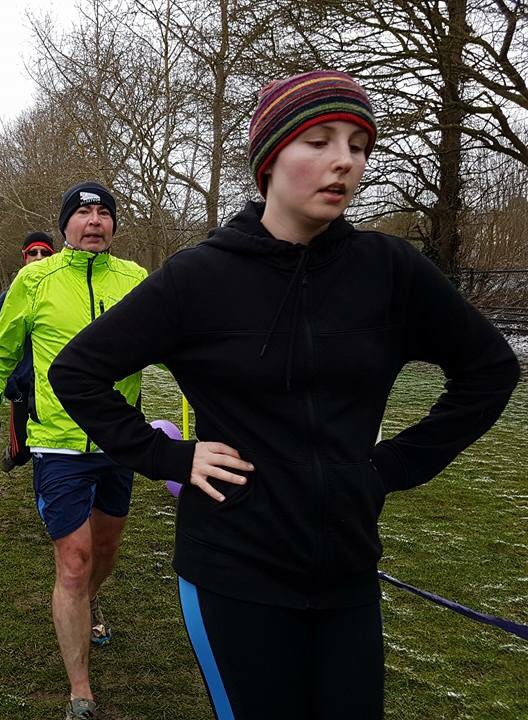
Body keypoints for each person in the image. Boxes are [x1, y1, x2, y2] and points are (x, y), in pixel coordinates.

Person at [49, 71, 520, 720]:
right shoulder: (200, 277)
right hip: (231, 572)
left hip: (348, 571)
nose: (344, 161)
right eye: (319, 140)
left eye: (358, 145)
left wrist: (392, 467)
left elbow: (490, 369)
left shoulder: (388, 271)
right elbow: (77, 372)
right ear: (270, 160)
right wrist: (170, 459)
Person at [0, 182, 147, 720]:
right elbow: (2, 345)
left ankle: (91, 599)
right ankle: (80, 691)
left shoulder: (137, 280)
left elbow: (170, 342)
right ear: (66, 223)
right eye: (83, 213)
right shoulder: (35, 279)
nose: (94, 221)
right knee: (73, 562)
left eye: (103, 213)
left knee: (106, 551)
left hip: (121, 438)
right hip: (58, 442)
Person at [0, 231, 55, 472]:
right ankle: (12, 455)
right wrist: (7, 381)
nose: (39, 257)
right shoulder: (9, 297)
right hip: (22, 385)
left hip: (53, 386)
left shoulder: (62, 295)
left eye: (45, 253)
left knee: (50, 447)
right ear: (24, 258)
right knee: (21, 452)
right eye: (33, 253)